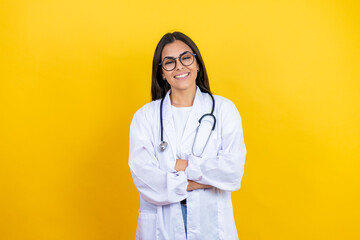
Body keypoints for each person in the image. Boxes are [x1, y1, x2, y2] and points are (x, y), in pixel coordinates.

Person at [128, 32, 247, 240]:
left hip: (211, 224)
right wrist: (208, 178)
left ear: (197, 63)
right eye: (169, 62)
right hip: (161, 226)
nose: (179, 67)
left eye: (185, 57)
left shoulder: (223, 110)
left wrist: (177, 166)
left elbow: (233, 171)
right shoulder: (145, 117)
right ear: (162, 73)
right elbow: (145, 180)